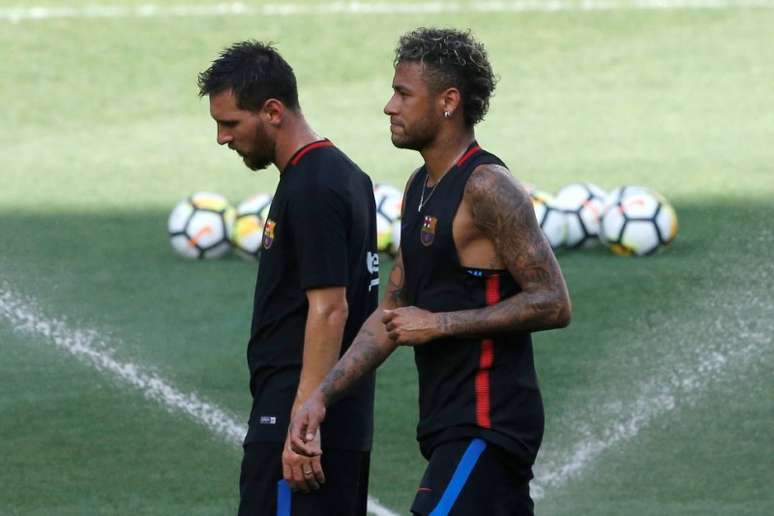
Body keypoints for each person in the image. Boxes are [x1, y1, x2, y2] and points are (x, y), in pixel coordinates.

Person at [289, 28, 572, 515]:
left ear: (448, 102)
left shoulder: (487, 186)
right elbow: (392, 314)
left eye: (403, 93)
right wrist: (321, 395)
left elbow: (553, 302)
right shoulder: (419, 186)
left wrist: (441, 323)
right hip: (446, 422)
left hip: (489, 422)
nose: (389, 106)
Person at [198, 41, 379, 516]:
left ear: (273, 111)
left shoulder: (313, 186)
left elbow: (331, 307)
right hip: (338, 423)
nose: (222, 138)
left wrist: (302, 423)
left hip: (300, 423)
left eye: (231, 123)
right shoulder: (344, 175)